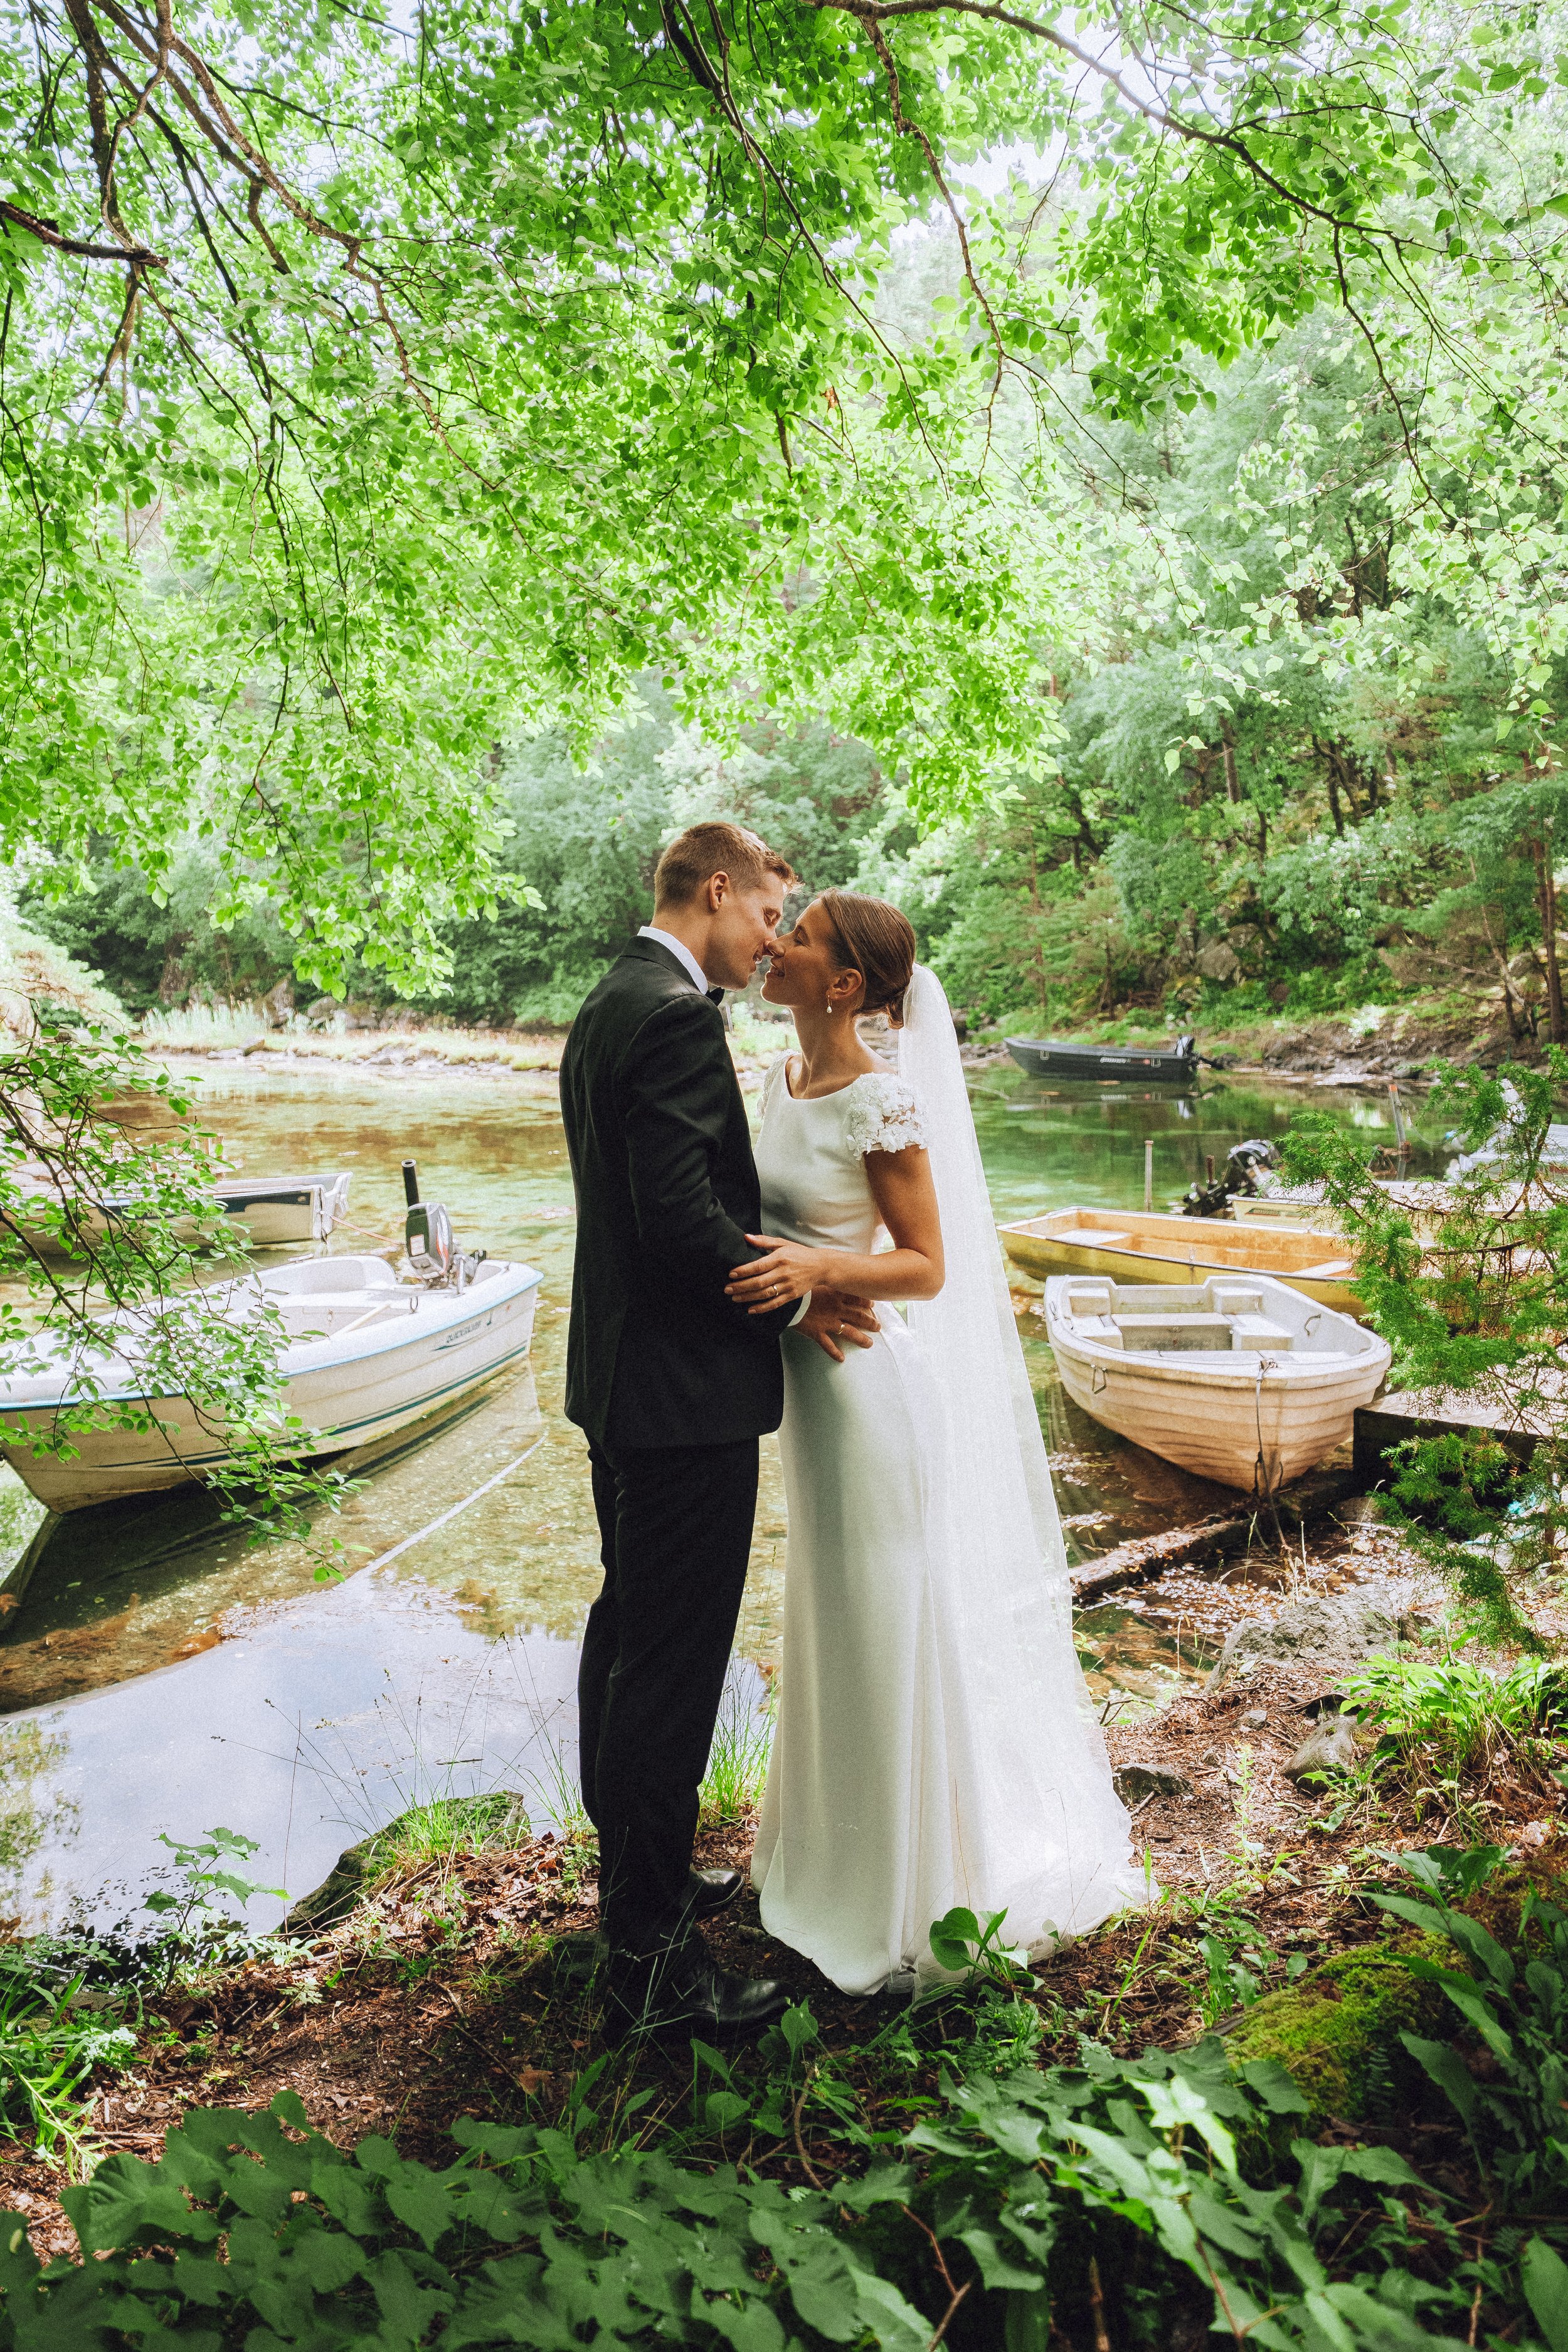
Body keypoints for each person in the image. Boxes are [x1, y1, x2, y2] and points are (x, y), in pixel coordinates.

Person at [729, 891, 1144, 1994]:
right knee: (829, 1617)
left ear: (846, 987)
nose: (775, 945)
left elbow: (924, 1265)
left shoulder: (883, 1101)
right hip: (809, 1398)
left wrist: (820, 1269)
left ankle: (914, 1888)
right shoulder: (775, 1081)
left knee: (883, 1617)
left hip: (868, 1392)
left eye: (799, 938)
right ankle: (823, 1860)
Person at [559, 823, 877, 2042]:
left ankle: (632, 1884)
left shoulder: (607, 1001)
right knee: (672, 1663)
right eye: (763, 918)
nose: (765, 944)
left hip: (619, 1382)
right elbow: (683, 1224)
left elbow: (642, 1213)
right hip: (683, 1398)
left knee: (626, 1629)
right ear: (713, 892)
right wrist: (805, 1290)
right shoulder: (678, 1017)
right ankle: (650, 1960)